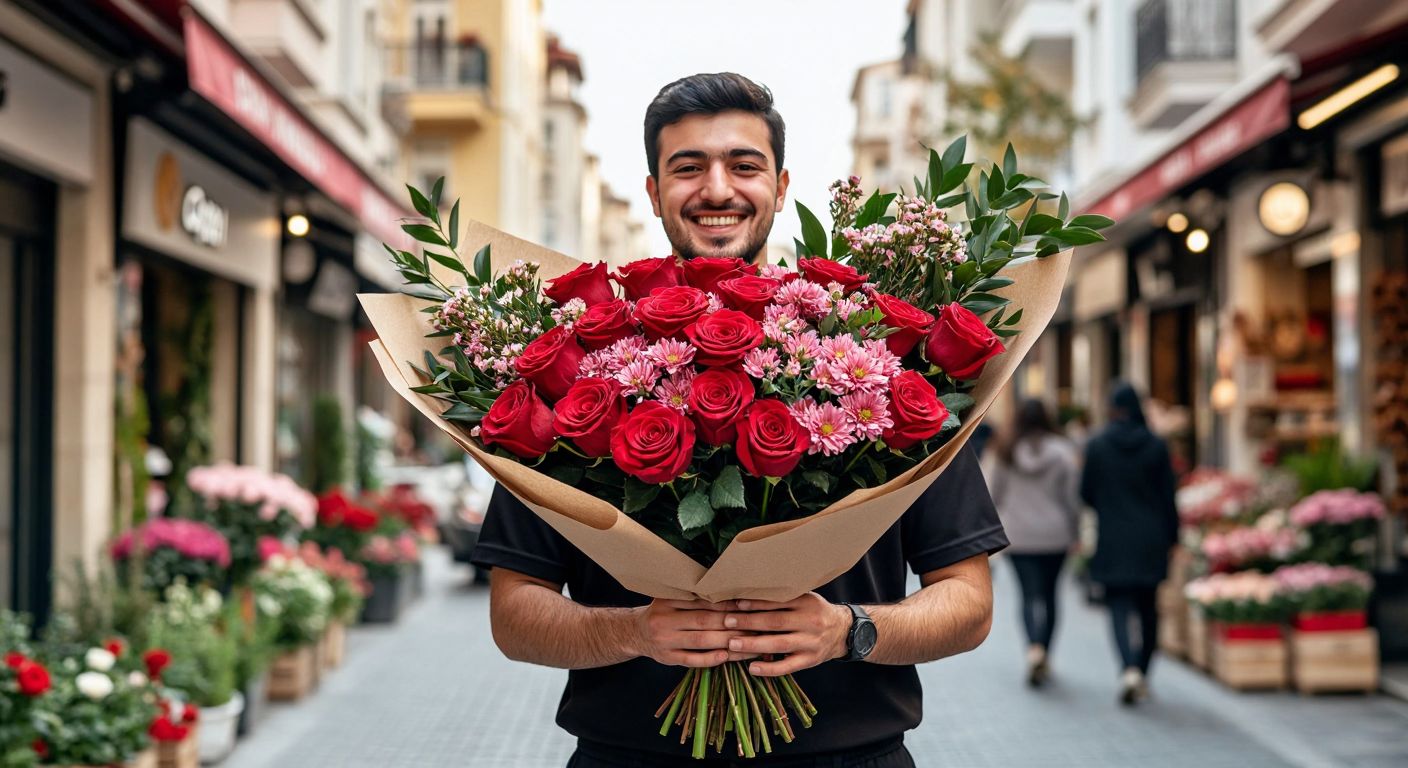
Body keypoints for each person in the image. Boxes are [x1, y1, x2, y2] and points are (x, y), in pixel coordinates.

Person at [472, 73, 1007, 767]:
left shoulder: (873, 360)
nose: (718, 189)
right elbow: (515, 616)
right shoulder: (581, 368)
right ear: (654, 191)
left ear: (780, 188)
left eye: (744, 165)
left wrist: (848, 631)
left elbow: (968, 601)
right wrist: (634, 632)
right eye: (688, 167)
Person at [1079, 382, 1179, 705]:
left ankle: (1128, 669)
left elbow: (1085, 493)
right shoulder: (1156, 445)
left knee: (1119, 607)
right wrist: (1173, 538)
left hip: (1114, 537)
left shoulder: (1097, 446)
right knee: (1149, 608)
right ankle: (1143, 671)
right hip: (1151, 538)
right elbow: (1169, 497)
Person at [981, 398, 1080, 688]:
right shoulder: (1063, 451)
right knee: (1050, 595)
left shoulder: (1003, 450)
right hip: (1055, 535)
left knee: (1027, 595)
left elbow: (991, 494)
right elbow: (1072, 499)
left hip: (1018, 536)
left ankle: (1032, 649)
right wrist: (1076, 533)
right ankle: (1044, 650)